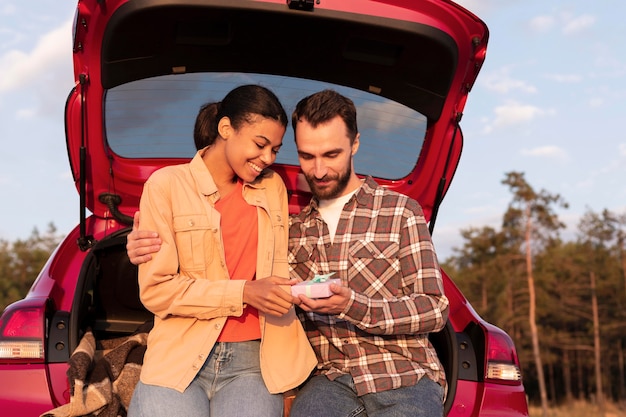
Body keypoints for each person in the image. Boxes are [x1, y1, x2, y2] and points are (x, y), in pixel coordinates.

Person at [127, 89, 449, 416]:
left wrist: (350, 303)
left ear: (355, 145)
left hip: (386, 371)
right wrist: (134, 243)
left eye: (331, 154)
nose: (319, 170)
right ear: (226, 129)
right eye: (307, 156)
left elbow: (436, 308)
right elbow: (167, 283)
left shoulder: (396, 212)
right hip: (310, 373)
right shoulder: (292, 227)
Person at [127, 84, 317, 417]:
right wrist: (244, 292)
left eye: (275, 149)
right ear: (226, 128)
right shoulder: (166, 185)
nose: (268, 159)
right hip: (180, 351)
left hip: (254, 359)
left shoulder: (272, 187)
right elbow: (157, 291)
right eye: (260, 144)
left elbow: (283, 262)